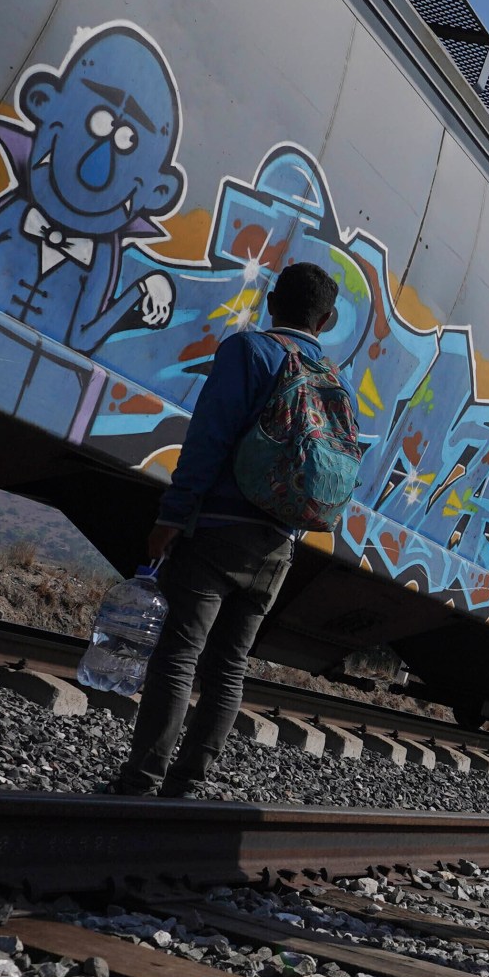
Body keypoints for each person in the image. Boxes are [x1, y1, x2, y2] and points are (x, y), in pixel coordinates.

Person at [106, 262, 340, 798]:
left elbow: (208, 440)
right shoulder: (331, 378)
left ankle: (141, 782)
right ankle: (188, 783)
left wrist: (171, 514)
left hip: (216, 531)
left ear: (272, 300)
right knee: (229, 666)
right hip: (278, 546)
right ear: (326, 320)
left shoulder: (249, 351)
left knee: (179, 655)